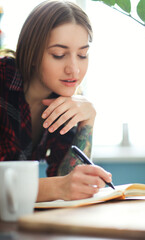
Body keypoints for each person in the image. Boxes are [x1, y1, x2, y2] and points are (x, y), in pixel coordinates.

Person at [0, 0, 112, 202]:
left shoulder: (63, 102)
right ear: (32, 53)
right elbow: (61, 186)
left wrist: (89, 119)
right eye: (59, 55)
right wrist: (58, 187)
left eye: (82, 55)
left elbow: (69, 185)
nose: (74, 70)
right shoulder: (2, 79)